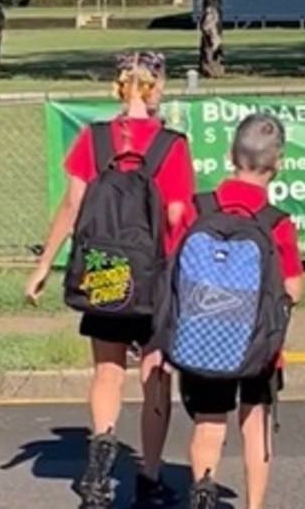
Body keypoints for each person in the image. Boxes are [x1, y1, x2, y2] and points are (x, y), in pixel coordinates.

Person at [25, 50, 194, 509]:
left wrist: (44, 264)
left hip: (104, 267)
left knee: (106, 370)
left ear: (118, 87)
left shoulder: (93, 139)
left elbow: (71, 205)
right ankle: (150, 476)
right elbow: (178, 213)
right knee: (155, 372)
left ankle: (97, 475)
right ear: (157, 87)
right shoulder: (171, 145)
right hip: (154, 272)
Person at [145, 112, 305, 509]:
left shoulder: (198, 208)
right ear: (278, 163)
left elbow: (174, 271)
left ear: (230, 155)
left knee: (209, 423)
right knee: (255, 424)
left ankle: (201, 490)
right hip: (257, 346)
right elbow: (293, 289)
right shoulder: (276, 223)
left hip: (202, 338)